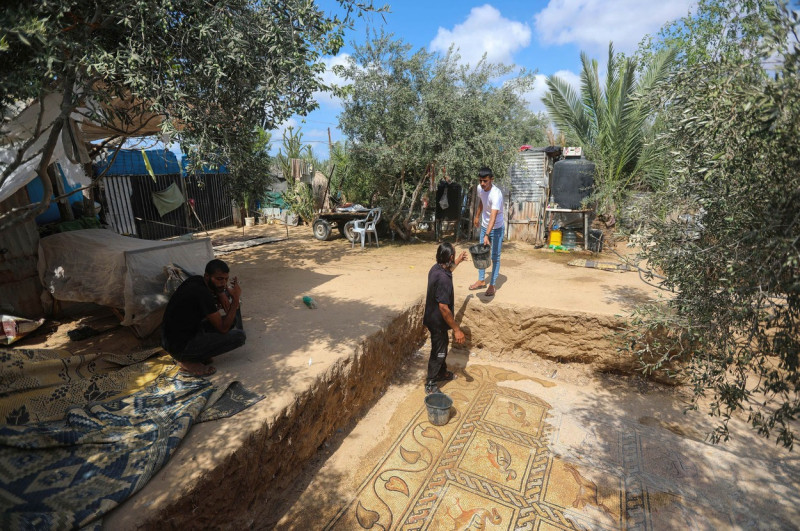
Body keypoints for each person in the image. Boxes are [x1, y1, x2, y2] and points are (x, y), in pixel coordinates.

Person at [161, 259, 247, 376]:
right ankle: (187, 361)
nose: (223, 283)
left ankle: (199, 353)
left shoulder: (196, 280)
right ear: (207, 276)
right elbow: (223, 328)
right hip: (179, 346)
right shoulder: (202, 294)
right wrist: (235, 299)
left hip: (171, 338)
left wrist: (221, 293)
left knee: (232, 321)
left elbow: (226, 317)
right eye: (219, 279)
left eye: (226, 279)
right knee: (239, 336)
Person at [423, 242, 468, 395]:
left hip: (431, 317)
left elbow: (448, 268)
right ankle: (430, 382)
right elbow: (443, 307)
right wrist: (457, 330)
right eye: (454, 255)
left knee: (442, 346)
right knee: (439, 351)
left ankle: (442, 372)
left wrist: (458, 261)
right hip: (437, 321)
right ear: (449, 256)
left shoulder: (436, 269)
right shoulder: (444, 280)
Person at [470, 166, 504, 297]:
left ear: (491, 179)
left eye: (485, 181)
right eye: (480, 181)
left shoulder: (497, 194)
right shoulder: (480, 188)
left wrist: (487, 235)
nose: (482, 184)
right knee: (481, 254)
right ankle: (481, 280)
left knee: (495, 256)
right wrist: (477, 216)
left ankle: (492, 284)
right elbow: (482, 202)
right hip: (485, 226)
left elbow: (493, 217)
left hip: (496, 228)